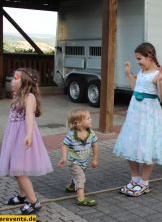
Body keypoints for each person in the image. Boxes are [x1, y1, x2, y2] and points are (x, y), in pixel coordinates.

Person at [113, 42, 162, 197]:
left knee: (148, 146)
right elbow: (135, 88)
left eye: (140, 58)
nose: (138, 61)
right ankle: (135, 178)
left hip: (149, 115)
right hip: (135, 115)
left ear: (150, 56)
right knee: (131, 144)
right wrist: (129, 74)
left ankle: (144, 182)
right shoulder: (142, 72)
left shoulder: (158, 73)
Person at [0, 68, 53, 214]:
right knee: (18, 168)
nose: (12, 81)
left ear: (24, 81)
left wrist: (29, 135)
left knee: (19, 170)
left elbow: (29, 116)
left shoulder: (29, 97)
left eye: (15, 78)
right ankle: (23, 196)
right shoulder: (18, 95)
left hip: (23, 137)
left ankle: (34, 202)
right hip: (14, 136)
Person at [58, 108, 98, 206]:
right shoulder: (71, 135)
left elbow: (95, 145)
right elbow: (64, 145)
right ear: (78, 123)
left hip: (84, 161)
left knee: (78, 176)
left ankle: (71, 187)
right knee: (80, 177)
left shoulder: (91, 133)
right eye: (88, 118)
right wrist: (64, 157)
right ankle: (81, 199)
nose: (91, 120)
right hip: (74, 162)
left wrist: (95, 159)